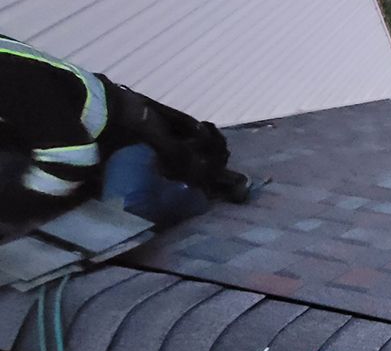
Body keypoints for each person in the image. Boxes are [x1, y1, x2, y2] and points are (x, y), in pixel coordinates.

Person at [0, 35, 249, 227]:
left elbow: (72, 159)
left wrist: (13, 211)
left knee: (127, 215)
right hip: (56, 143)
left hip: (123, 139)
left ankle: (194, 192)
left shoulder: (11, 75)